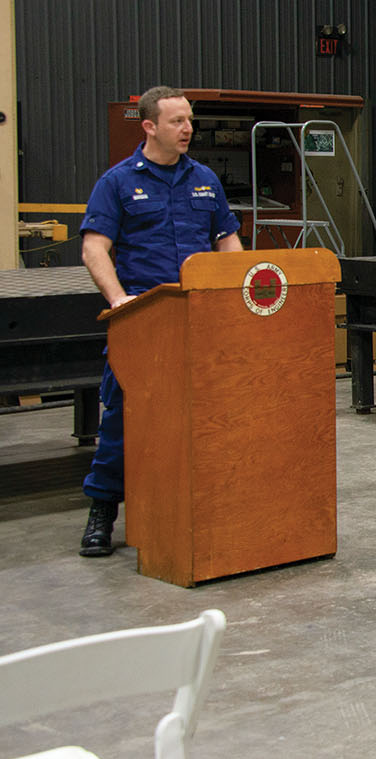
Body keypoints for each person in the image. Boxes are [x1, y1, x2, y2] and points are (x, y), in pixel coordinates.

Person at [77, 86, 242, 557]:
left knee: (210, 419)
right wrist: (119, 300)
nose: (187, 128)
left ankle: (209, 509)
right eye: (176, 121)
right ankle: (102, 512)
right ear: (149, 126)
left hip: (201, 323)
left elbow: (227, 243)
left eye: (189, 120)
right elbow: (94, 248)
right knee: (124, 424)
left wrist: (233, 298)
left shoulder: (205, 179)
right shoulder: (118, 182)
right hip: (144, 325)